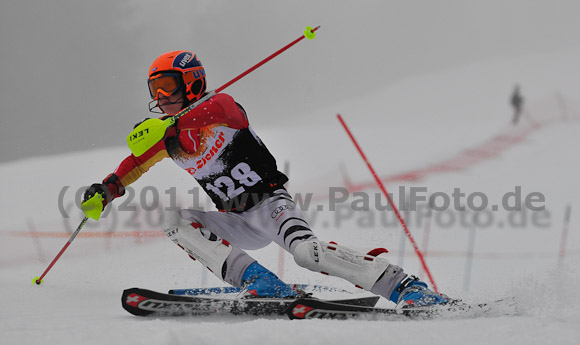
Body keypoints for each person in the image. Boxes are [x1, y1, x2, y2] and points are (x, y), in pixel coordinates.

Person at [82, 50, 448, 307]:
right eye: (154, 89)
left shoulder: (219, 109)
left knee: (306, 253)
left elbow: (226, 109)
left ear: (191, 83)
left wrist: (169, 126)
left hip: (271, 205)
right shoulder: (169, 138)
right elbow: (134, 163)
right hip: (236, 219)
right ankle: (259, 282)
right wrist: (106, 189)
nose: (161, 97)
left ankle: (403, 285)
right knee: (175, 220)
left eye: (168, 86)